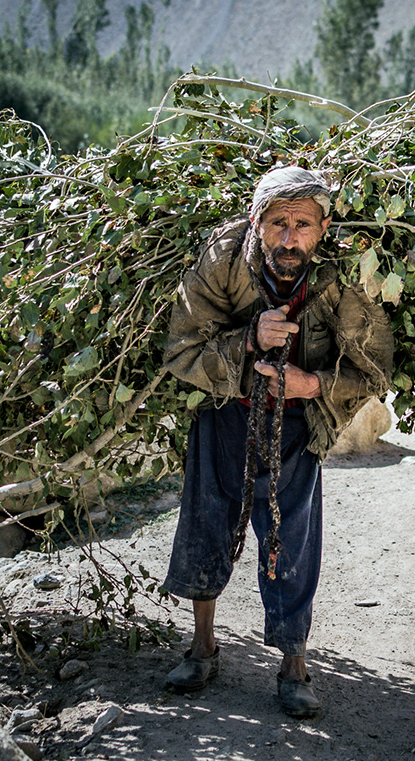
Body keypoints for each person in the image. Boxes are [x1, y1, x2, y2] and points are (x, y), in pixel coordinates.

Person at [160, 165, 393, 718]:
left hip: (295, 424)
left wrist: (313, 384)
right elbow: (180, 351)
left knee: (291, 533)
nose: (290, 238)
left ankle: (294, 664)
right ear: (255, 221)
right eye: (278, 223)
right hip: (225, 411)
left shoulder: (342, 279)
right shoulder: (221, 260)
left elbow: (375, 368)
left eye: (304, 225)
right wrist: (247, 340)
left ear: (324, 227)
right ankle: (202, 646)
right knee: (207, 516)